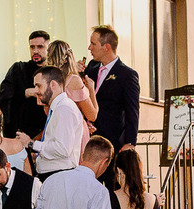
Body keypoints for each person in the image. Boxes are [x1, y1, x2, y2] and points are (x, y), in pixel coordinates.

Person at [18, 66, 84, 179]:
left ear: (53, 84)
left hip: (59, 176)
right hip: (55, 175)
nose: (36, 91)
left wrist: (31, 143)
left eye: (38, 85)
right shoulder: (58, 107)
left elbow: (62, 149)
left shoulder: (64, 108)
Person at [84, 26, 139, 160]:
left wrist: (130, 143)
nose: (89, 48)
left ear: (106, 47)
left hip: (112, 144)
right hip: (89, 142)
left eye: (93, 44)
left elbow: (132, 110)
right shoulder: (91, 67)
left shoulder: (127, 75)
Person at [46, 40, 96, 156]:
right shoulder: (74, 80)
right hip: (75, 135)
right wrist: (91, 90)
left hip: (54, 133)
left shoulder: (49, 83)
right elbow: (92, 115)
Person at [0, 30, 49, 140]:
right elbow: (3, 98)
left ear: (48, 48)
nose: (35, 51)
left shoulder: (53, 72)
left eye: (40, 47)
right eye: (32, 47)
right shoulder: (18, 69)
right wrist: (26, 93)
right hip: (19, 134)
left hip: (46, 133)